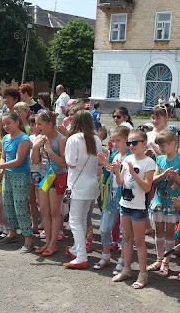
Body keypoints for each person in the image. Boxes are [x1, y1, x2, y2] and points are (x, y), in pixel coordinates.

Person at [110, 129, 156, 287]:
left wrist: (133, 172)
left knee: (140, 241)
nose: (131, 145)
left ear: (144, 143)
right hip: (125, 204)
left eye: (134, 142)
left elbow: (147, 187)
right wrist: (117, 172)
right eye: (129, 142)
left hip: (138, 207)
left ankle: (143, 275)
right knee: (127, 239)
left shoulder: (149, 162)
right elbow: (121, 183)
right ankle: (126, 269)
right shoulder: (128, 158)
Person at [0, 111, 34, 252]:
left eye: (8, 123)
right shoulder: (6, 138)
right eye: (4, 123)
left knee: (20, 207)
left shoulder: (24, 139)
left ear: (17, 122)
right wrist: (1, 168)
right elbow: (3, 156)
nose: (6, 126)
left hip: (21, 175)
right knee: (7, 206)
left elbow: (18, 161)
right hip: (8, 175)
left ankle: (28, 240)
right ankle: (12, 233)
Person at [60, 110, 103, 269]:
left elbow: (71, 163)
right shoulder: (96, 139)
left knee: (75, 221)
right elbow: (98, 161)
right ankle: (78, 250)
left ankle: (81, 255)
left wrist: (65, 154)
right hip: (91, 183)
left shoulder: (73, 139)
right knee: (83, 218)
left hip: (78, 184)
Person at [147, 130, 180, 277]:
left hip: (173, 202)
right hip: (159, 200)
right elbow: (153, 179)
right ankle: (159, 259)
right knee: (158, 231)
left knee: (170, 232)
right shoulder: (159, 159)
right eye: (159, 145)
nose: (161, 148)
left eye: (163, 145)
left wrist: (175, 176)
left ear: (173, 144)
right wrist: (162, 175)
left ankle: (166, 261)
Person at [31, 109, 67, 257]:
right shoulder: (39, 138)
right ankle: (47, 242)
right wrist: (35, 147)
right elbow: (35, 161)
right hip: (43, 178)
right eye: (36, 124)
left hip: (56, 178)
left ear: (50, 124)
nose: (37, 127)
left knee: (54, 212)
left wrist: (51, 152)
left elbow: (64, 163)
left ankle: (53, 243)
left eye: (40, 124)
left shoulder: (61, 139)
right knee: (44, 210)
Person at [96, 125, 131, 271]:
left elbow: (127, 178)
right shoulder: (114, 155)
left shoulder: (131, 157)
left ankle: (122, 260)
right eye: (113, 140)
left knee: (125, 230)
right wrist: (105, 166)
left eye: (118, 140)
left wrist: (113, 169)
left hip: (125, 197)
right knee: (105, 227)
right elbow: (107, 174)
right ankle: (105, 256)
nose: (115, 143)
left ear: (127, 140)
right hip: (111, 195)